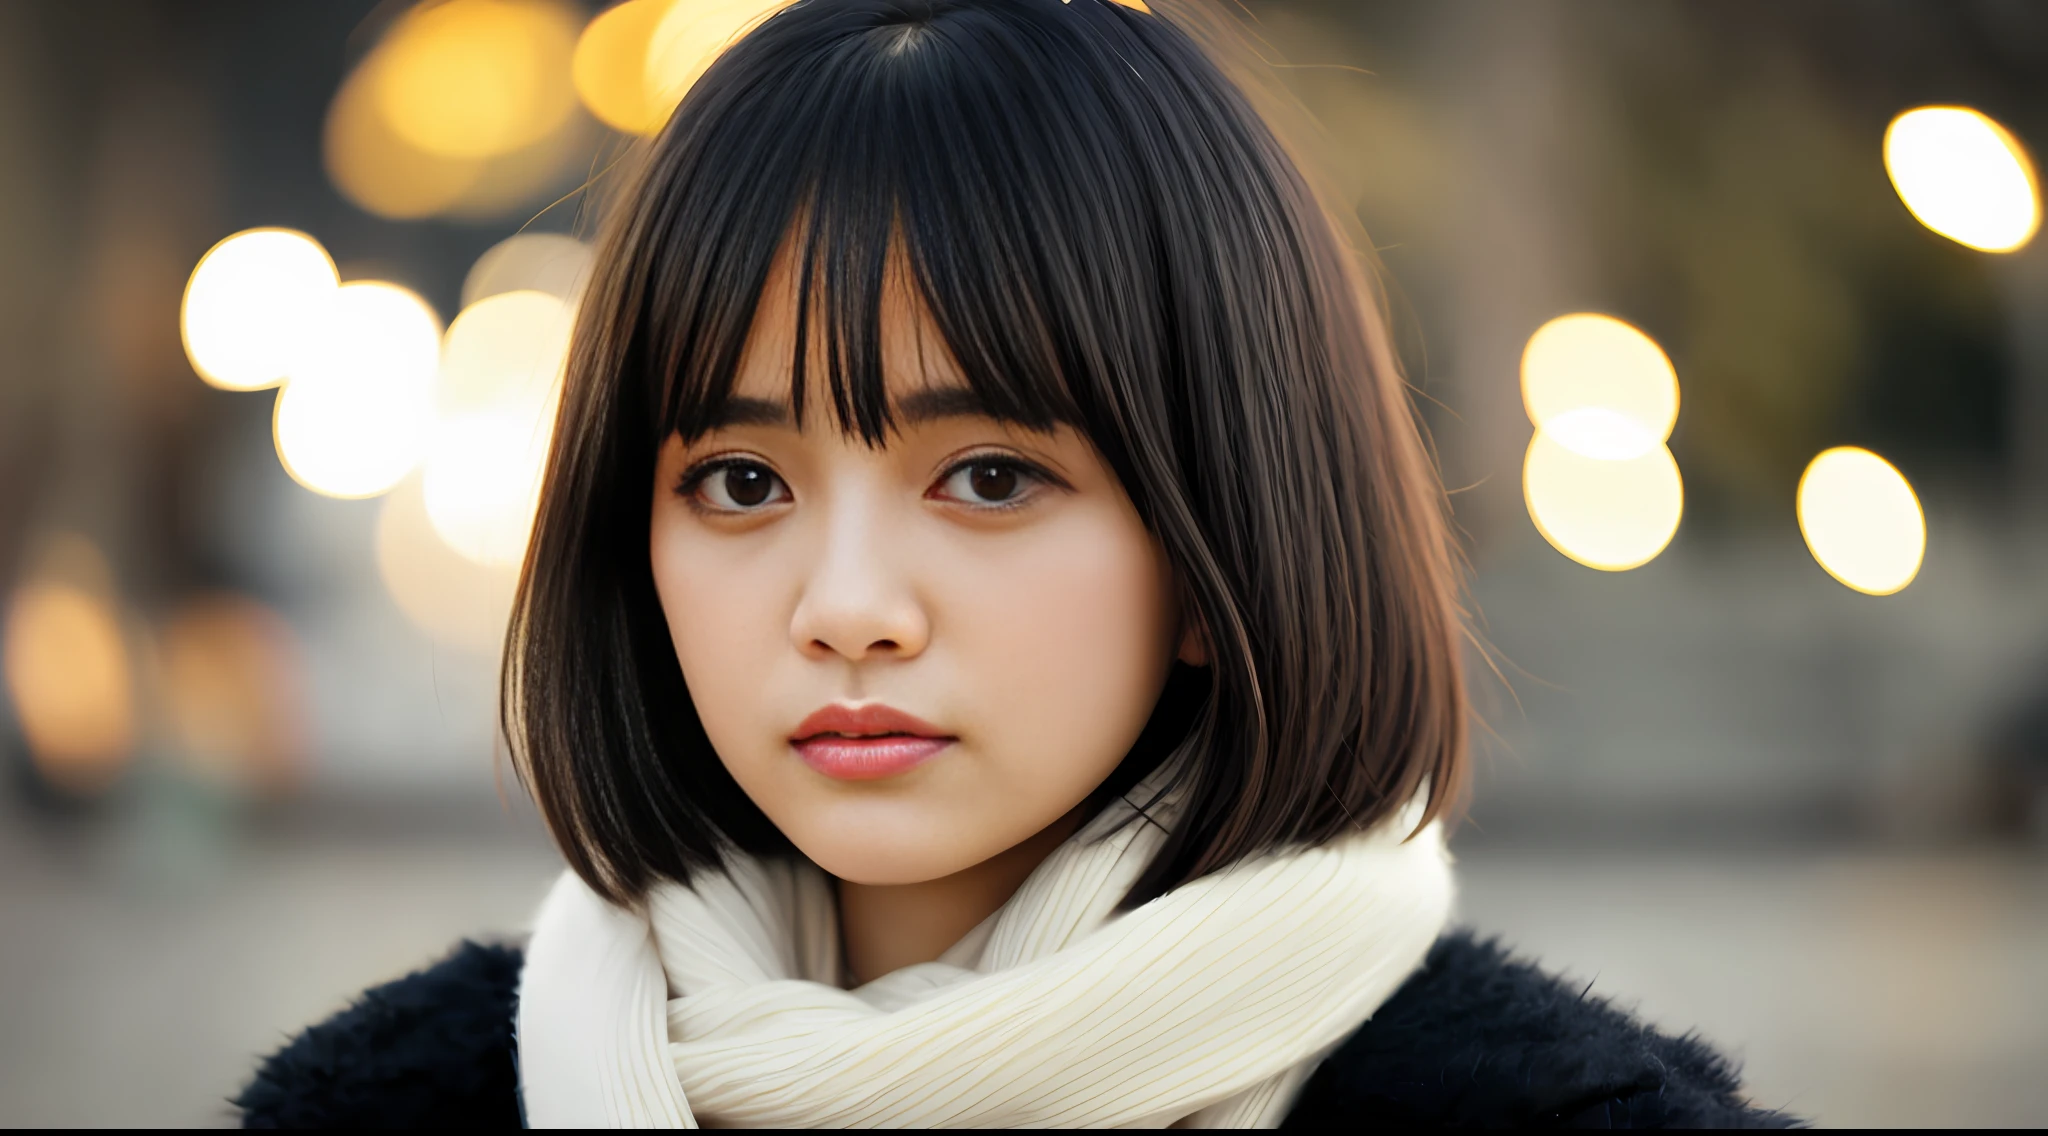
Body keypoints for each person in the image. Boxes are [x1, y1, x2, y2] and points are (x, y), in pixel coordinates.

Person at [239, 0, 1796, 1126]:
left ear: (1218, 538)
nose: (846, 606)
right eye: (738, 479)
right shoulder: (406, 1102)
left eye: (987, 477)